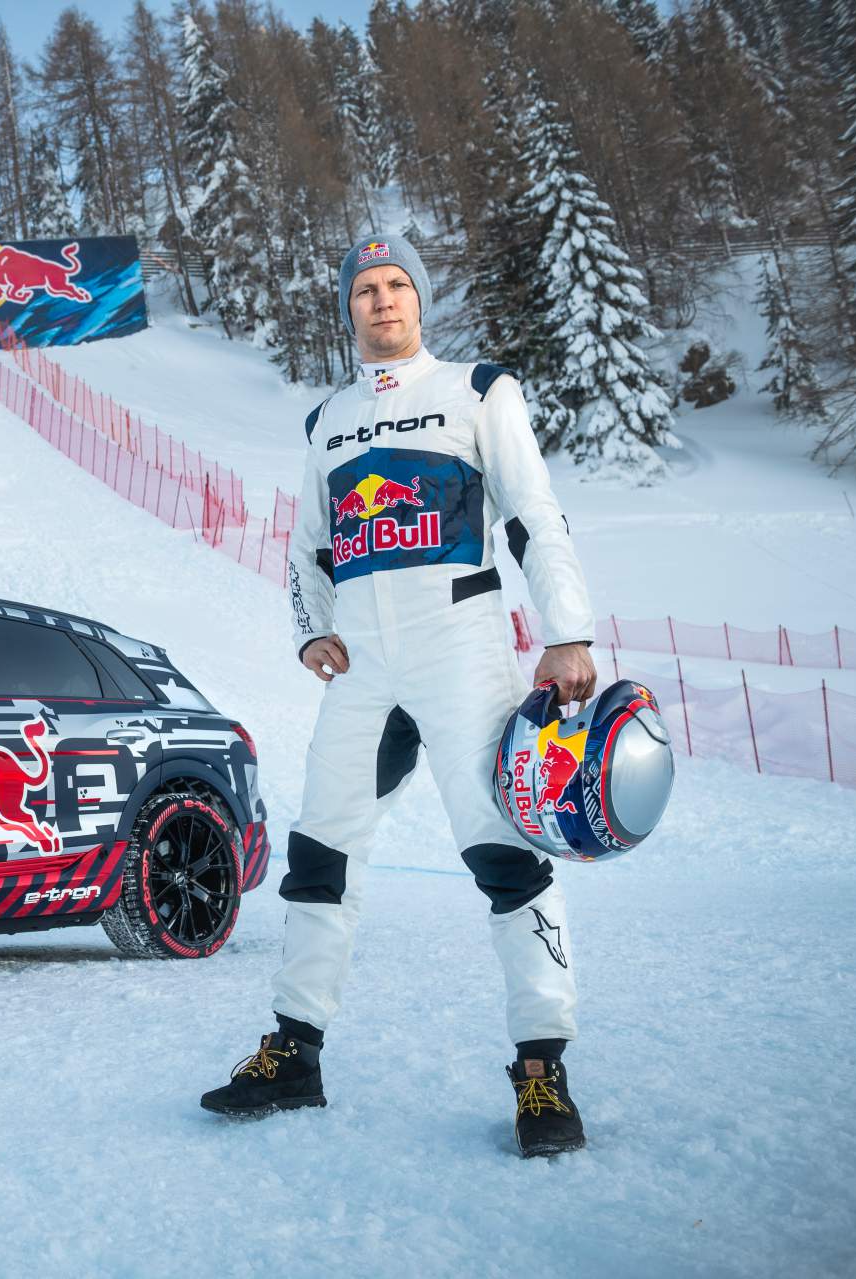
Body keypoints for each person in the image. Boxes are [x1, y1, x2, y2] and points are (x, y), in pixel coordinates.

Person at [200, 233, 598, 1159]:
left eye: (395, 286)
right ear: (348, 310)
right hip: (366, 670)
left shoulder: (477, 390)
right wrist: (311, 626)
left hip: (463, 650)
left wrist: (567, 630)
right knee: (320, 851)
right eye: (365, 290)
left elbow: (535, 514)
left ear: (419, 301)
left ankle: (543, 1069)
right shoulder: (327, 422)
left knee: (503, 854)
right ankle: (294, 1052)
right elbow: (304, 551)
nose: (381, 301)